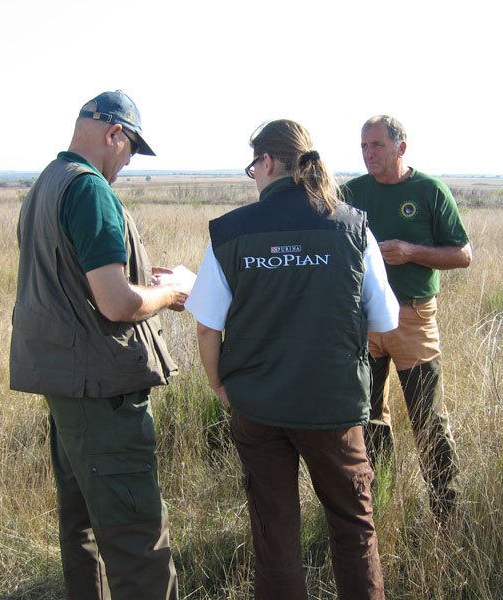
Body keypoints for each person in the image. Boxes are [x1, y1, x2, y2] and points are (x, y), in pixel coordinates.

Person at [186, 119, 399, 600]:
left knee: (274, 536)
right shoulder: (352, 226)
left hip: (258, 408)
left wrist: (220, 385)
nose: (253, 177)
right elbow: (384, 323)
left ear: (265, 163)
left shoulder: (231, 232)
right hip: (334, 408)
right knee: (354, 529)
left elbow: (206, 326)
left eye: (252, 168)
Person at [9, 90, 190, 600]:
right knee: (137, 544)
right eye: (131, 149)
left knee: (81, 531)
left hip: (67, 388)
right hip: (103, 395)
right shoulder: (90, 191)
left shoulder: (47, 183)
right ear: (114, 134)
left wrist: (146, 290)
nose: (127, 163)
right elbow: (114, 302)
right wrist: (170, 292)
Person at [342, 115, 472, 525]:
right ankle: (378, 506)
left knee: (429, 419)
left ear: (401, 147)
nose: (368, 154)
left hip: (413, 318)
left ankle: (445, 517)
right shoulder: (350, 192)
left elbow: (463, 254)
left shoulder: (429, 191)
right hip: (363, 321)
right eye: (364, 146)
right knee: (368, 417)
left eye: (377, 145)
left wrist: (411, 251)